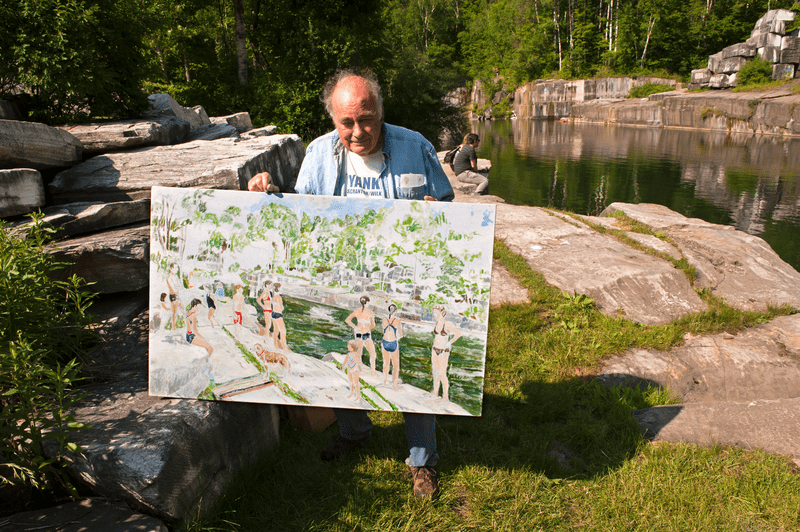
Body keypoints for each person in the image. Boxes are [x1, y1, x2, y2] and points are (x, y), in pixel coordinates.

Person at [248, 67, 452, 498]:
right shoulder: (320, 154)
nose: (358, 132)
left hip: (405, 280)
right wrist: (266, 188)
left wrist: (439, 211)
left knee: (410, 366)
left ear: (380, 111)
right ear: (334, 121)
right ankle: (355, 431)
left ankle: (422, 461)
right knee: (345, 355)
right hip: (344, 281)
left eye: (367, 119)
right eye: (347, 123)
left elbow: (451, 207)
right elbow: (300, 213)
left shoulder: (417, 147)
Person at [428, 305, 461, 403]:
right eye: (434, 313)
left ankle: (445, 396)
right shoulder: (437, 322)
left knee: (442, 373)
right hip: (435, 349)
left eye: (436, 313)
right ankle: (435, 391)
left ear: (442, 313)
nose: (435, 315)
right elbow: (437, 335)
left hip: (443, 351)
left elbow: (458, 334)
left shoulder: (447, 324)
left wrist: (449, 343)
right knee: (435, 371)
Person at [344, 295, 377, 376]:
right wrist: (367, 328)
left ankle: (360, 370)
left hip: (358, 333)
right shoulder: (370, 313)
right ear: (368, 303)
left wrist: (355, 327)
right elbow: (373, 325)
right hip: (366, 334)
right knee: (372, 353)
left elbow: (347, 320)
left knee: (359, 353)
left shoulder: (357, 311)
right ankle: (373, 372)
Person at [381, 303, 403, 390]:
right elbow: (400, 334)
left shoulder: (384, 320)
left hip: (385, 342)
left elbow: (384, 331)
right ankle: (395, 385)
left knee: (386, 363)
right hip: (393, 343)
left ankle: (385, 381)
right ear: (396, 311)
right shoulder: (397, 321)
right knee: (395, 365)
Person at [271, 283, 288, 350]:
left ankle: (275, 345)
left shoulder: (273, 296)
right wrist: (282, 307)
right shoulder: (278, 297)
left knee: (276, 330)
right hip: (278, 314)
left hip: (273, 314)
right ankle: (284, 347)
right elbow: (281, 308)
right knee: (283, 331)